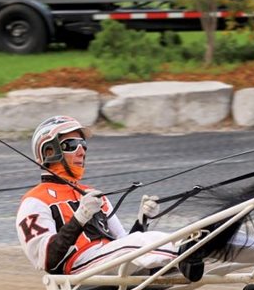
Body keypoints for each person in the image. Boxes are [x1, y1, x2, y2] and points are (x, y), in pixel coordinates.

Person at [15, 115, 185, 276]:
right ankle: (185, 254)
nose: (81, 152)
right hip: (78, 268)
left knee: (146, 238)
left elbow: (124, 241)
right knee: (142, 242)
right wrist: (80, 217)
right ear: (49, 151)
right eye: (72, 145)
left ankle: (197, 247)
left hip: (106, 260)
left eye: (83, 144)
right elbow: (47, 259)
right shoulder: (35, 201)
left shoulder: (93, 194)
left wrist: (142, 220)